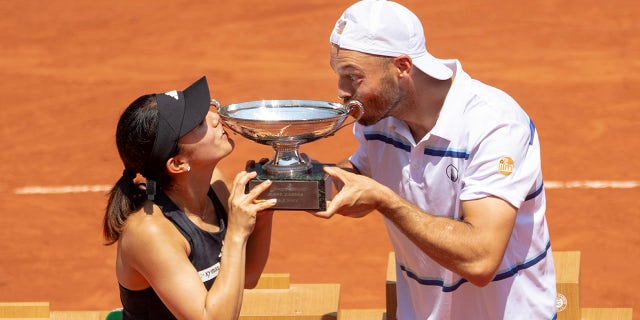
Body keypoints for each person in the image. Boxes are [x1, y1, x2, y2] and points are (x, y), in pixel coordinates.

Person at [317, 1, 557, 319]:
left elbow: (481, 259)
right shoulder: (381, 120)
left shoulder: (495, 124)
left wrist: (385, 200)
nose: (341, 92)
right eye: (340, 75)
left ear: (402, 67)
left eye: (353, 77)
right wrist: (297, 177)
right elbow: (359, 184)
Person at [102, 76, 277, 320]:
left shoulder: (214, 185)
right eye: (198, 125)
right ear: (177, 163)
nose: (215, 118)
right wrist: (236, 233)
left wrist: (263, 214)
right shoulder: (150, 231)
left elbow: (247, 276)